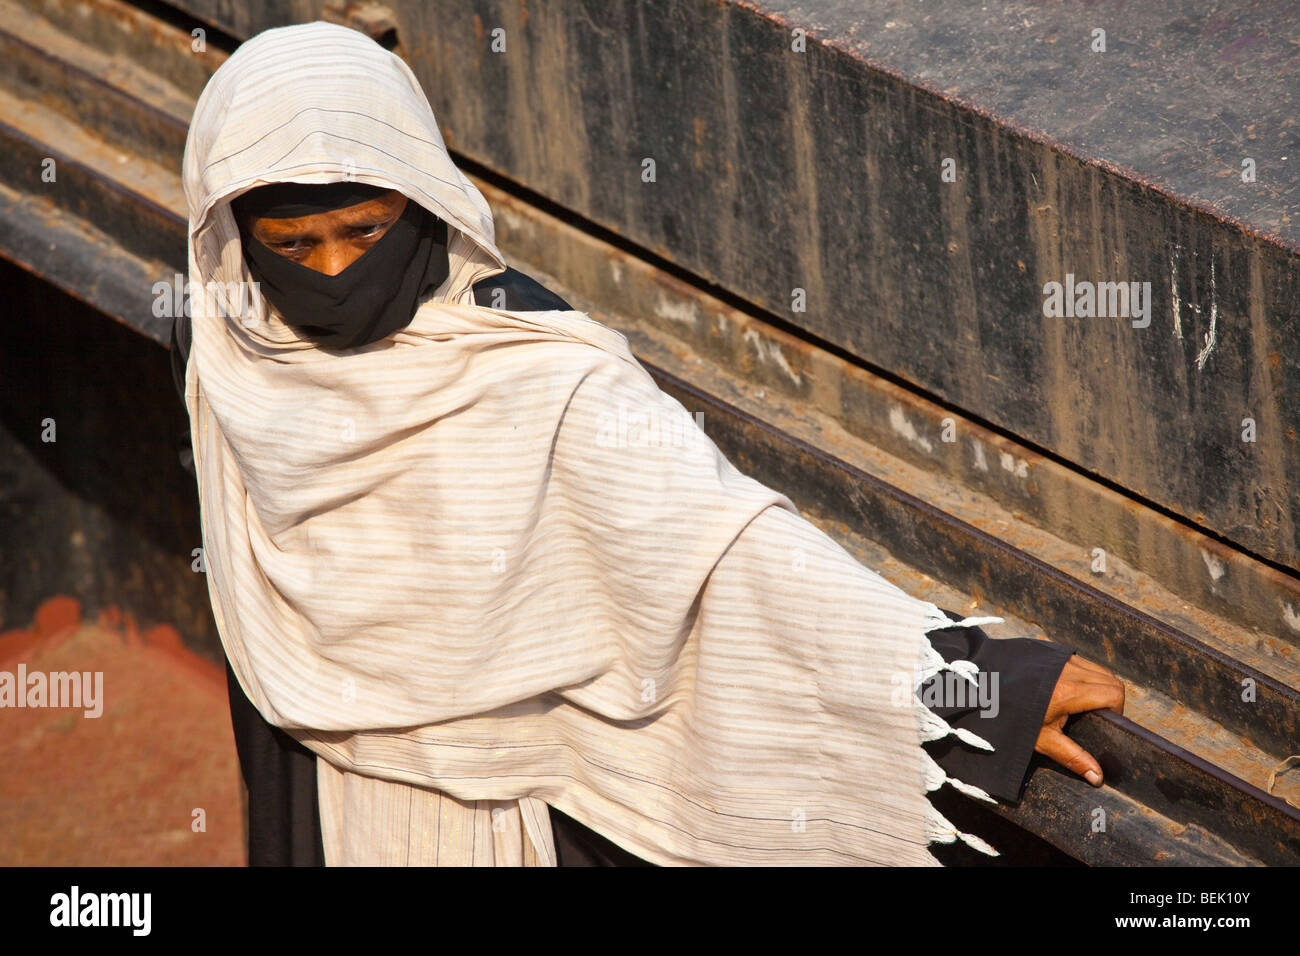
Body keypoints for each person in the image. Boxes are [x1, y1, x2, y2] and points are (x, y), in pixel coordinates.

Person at [171, 21, 1124, 866]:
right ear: (232, 239)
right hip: (309, 770)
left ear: (420, 205)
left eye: (364, 231)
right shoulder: (222, 351)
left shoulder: (535, 366)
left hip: (515, 802)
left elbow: (720, 548)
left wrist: (968, 687)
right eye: (292, 247)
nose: (335, 273)